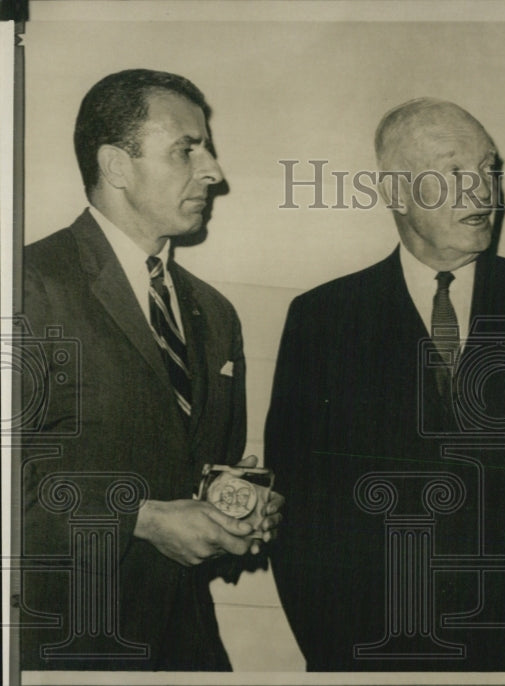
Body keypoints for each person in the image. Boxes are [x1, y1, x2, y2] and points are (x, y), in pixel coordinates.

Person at [266, 98, 505, 671]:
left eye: (489, 169)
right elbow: (296, 502)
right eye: (454, 171)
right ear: (396, 192)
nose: (483, 191)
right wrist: (331, 646)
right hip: (366, 649)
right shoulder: (323, 317)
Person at [19, 69, 283, 671]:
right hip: (65, 648)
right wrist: (141, 519)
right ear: (116, 165)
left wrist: (236, 509)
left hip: (186, 646)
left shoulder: (216, 314)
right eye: (186, 149)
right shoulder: (26, 286)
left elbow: (199, 472)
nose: (214, 171)